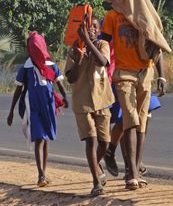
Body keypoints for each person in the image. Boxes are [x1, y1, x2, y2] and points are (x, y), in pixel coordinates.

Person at [101, 0, 171, 190]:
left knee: (141, 121)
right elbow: (104, 42)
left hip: (145, 73)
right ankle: (131, 173)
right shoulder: (112, 16)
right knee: (130, 119)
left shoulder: (145, 12)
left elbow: (156, 43)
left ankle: (136, 168)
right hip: (124, 75)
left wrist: (160, 75)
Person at [7, 31, 68, 187]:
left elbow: (59, 83)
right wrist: (11, 111)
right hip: (32, 105)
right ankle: (41, 174)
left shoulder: (51, 65)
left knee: (45, 139)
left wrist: (65, 97)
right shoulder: (26, 68)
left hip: (48, 105)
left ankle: (43, 173)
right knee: (39, 138)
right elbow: (19, 90)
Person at [65, 15, 115, 196]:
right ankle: (96, 181)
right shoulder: (74, 50)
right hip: (83, 103)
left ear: (99, 30)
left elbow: (103, 62)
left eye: (94, 27)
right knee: (91, 140)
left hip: (102, 101)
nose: (91, 29)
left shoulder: (102, 45)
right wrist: (78, 59)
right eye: (88, 27)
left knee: (105, 142)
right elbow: (71, 78)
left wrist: (87, 40)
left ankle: (96, 166)